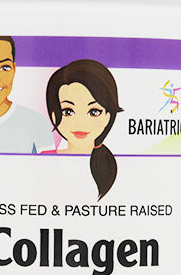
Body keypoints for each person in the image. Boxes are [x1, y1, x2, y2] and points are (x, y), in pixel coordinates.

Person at [44, 59, 123, 199]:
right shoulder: (44, 160)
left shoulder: (118, 165)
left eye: (93, 112)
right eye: (68, 111)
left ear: (108, 116)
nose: (80, 123)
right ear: (54, 115)